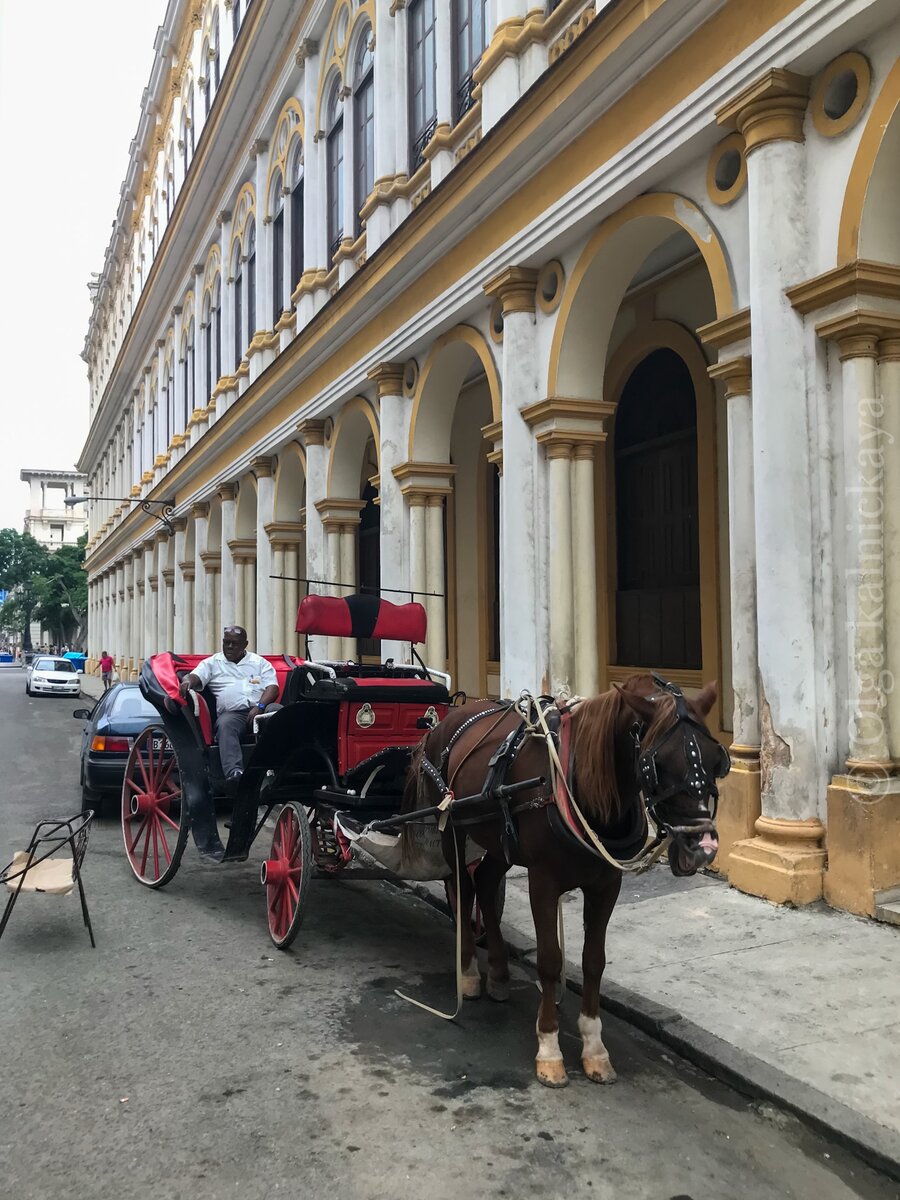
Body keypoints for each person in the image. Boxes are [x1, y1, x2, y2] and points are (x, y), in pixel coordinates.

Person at [178, 626, 281, 791]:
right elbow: (195, 675)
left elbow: (273, 688)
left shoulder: (259, 662)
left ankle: (284, 765)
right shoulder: (213, 663)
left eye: (234, 643)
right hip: (234, 715)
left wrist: (260, 707)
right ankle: (234, 773)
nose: (230, 647)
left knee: (279, 712)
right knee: (225, 724)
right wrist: (187, 681)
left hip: (261, 708)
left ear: (245, 644)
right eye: (226, 643)